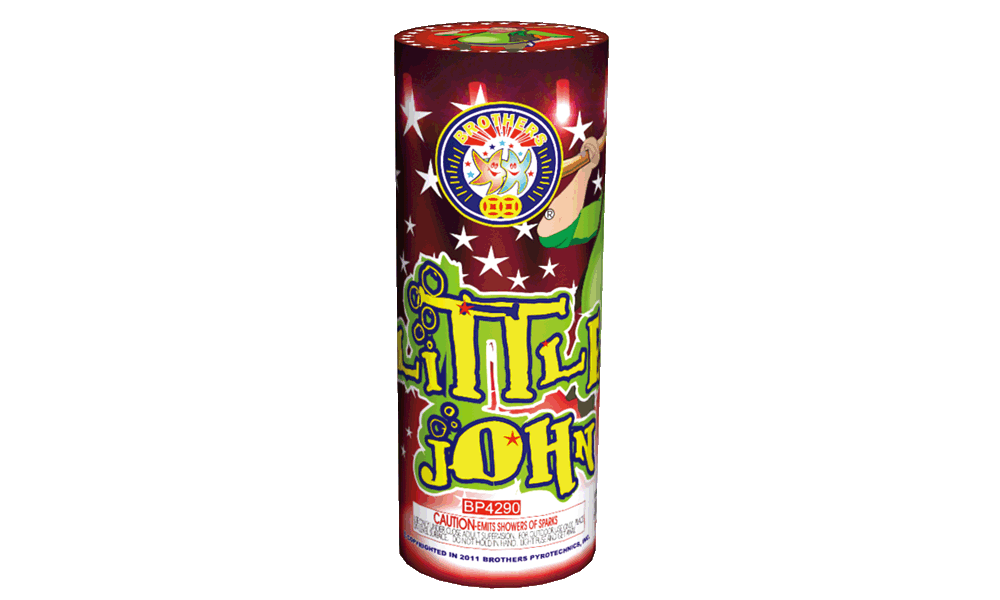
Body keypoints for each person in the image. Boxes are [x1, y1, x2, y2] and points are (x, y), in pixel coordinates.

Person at [538, 137, 603, 313]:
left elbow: (551, 231)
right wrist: (585, 169)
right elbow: (549, 231)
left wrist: (586, 167)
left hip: (580, 314)